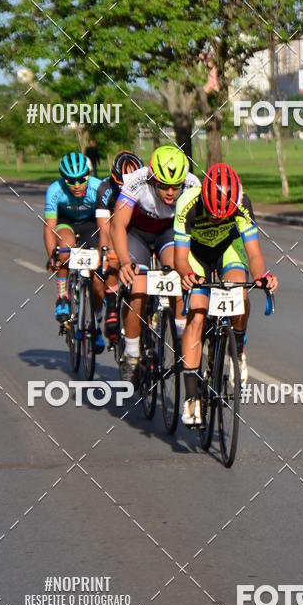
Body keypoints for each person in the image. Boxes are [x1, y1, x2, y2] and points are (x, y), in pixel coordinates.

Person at [174, 162, 278, 426]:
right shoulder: (188, 202)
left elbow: (253, 252)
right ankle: (191, 399)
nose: (218, 218)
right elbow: (180, 258)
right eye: (213, 213)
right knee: (196, 315)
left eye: (225, 214)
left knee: (239, 290)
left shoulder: (242, 202)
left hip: (226, 248)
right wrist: (187, 274)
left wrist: (261, 276)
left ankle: (238, 350)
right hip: (195, 252)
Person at [111, 145, 200, 383]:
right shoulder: (136, 181)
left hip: (167, 232)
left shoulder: (192, 184)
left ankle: (182, 338)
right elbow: (118, 225)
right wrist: (124, 262)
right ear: (152, 179)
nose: (171, 192)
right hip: (137, 234)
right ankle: (131, 353)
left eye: (175, 186)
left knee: (178, 275)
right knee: (138, 289)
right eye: (163, 186)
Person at [43, 152, 105, 350]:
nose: (77, 185)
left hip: (91, 224)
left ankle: (96, 324)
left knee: (97, 275)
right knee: (64, 249)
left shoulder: (98, 188)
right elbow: (49, 227)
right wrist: (52, 255)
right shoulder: (55, 190)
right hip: (66, 223)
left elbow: (107, 225)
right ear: (63, 179)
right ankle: (63, 295)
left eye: (81, 179)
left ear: (88, 175)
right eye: (71, 181)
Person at [94, 150, 143, 341]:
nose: (126, 192)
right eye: (122, 187)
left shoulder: (146, 183)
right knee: (111, 254)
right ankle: (112, 304)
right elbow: (105, 229)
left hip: (137, 228)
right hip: (115, 226)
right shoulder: (105, 189)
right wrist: (107, 252)